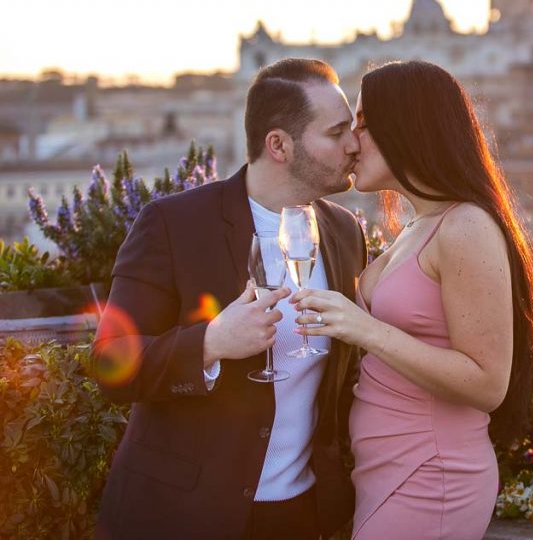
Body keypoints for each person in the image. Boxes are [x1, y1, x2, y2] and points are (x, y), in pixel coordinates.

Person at [92, 58, 365, 540]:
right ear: (278, 144)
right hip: (183, 515)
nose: (354, 144)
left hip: (302, 514)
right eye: (337, 132)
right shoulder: (173, 225)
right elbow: (111, 365)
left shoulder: (344, 231)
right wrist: (211, 342)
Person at [291, 60, 533, 540]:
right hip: (386, 468)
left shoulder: (465, 226)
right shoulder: (415, 225)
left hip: (431, 474)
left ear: (408, 129)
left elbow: (489, 382)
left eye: (363, 126)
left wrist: (363, 328)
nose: (351, 142)